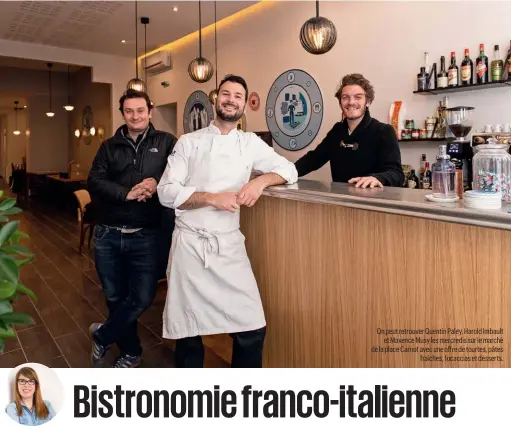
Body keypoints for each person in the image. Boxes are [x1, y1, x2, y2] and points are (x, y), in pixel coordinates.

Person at [157, 74, 298, 368]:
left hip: (228, 245)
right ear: (215, 99)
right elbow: (166, 192)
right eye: (226, 93)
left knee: (252, 327)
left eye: (237, 96)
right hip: (191, 246)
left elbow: (288, 169)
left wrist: (261, 183)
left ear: (244, 106)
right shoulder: (189, 142)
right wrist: (211, 197)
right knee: (188, 332)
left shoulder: (250, 144)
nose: (231, 99)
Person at [87, 89, 177, 368]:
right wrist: (126, 193)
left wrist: (156, 182)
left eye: (140, 110)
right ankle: (131, 353)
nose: (135, 116)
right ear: (122, 113)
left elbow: (181, 172)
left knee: (142, 297)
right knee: (115, 297)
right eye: (129, 111)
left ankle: (102, 335)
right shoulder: (108, 146)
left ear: (150, 111)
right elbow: (95, 181)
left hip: (146, 235)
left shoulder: (166, 142)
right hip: (108, 235)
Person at [294, 73, 404, 188]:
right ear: (340, 103)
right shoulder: (336, 131)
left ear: (368, 102)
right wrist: (285, 173)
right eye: (345, 97)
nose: (351, 102)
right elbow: (313, 159)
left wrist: (377, 178)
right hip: (341, 202)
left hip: (372, 202)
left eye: (358, 97)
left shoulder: (384, 131)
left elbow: (397, 174)